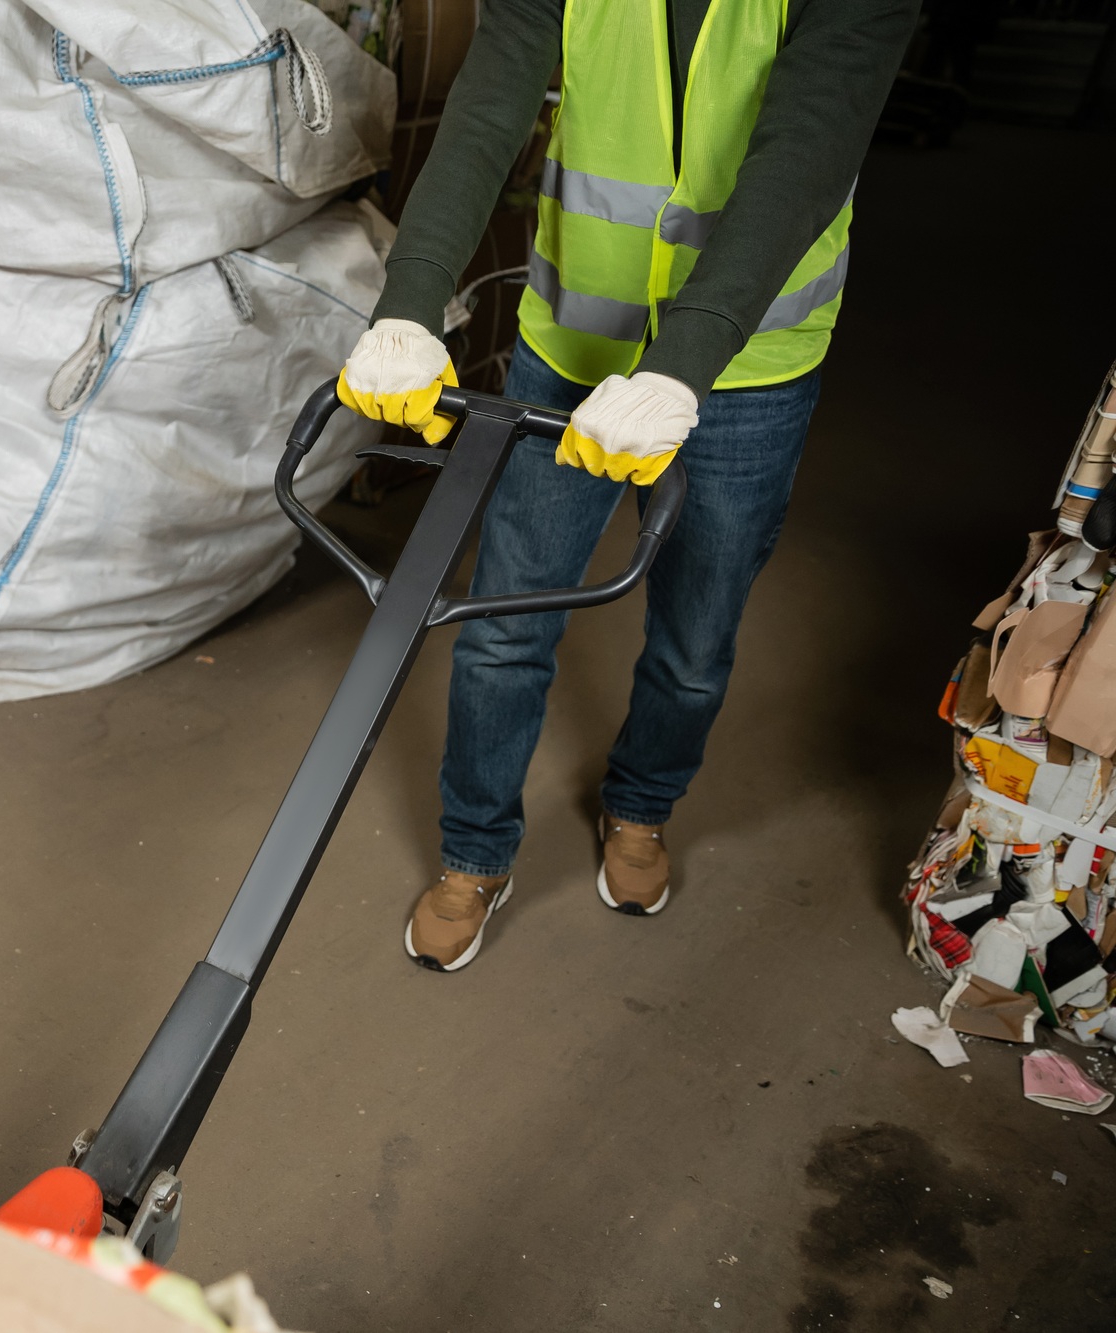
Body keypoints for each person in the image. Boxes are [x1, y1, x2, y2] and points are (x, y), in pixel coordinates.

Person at [336, 0, 920, 972]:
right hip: (568, 341)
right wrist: (407, 302)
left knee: (694, 634)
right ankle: (475, 850)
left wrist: (681, 362)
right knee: (504, 620)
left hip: (745, 372)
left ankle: (639, 804)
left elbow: (803, 152)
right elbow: (488, 108)